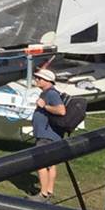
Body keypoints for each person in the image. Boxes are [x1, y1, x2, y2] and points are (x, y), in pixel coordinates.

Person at [30, 66, 67, 201]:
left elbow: (61, 111)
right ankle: (49, 191)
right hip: (50, 134)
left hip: (47, 135)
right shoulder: (47, 93)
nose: (36, 80)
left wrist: (43, 106)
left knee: (40, 163)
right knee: (51, 164)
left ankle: (43, 193)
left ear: (47, 81)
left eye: (39, 78)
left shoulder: (51, 94)